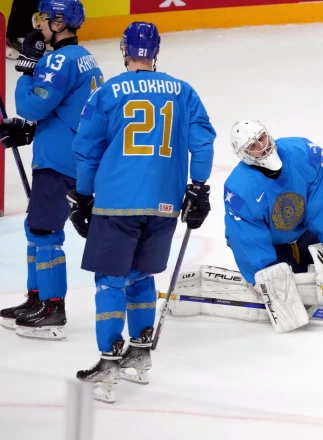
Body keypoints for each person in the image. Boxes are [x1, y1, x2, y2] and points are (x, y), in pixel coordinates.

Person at [67, 21, 215, 403]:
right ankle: (140, 357)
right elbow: (203, 142)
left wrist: (83, 195)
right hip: (165, 203)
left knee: (110, 282)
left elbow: (88, 149)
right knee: (140, 276)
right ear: (157, 51)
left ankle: (109, 364)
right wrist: (197, 188)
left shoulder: (109, 91)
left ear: (124, 49)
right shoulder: (183, 91)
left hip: (118, 200)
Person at [0, 0, 102, 340]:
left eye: (44, 18)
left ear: (60, 24)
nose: (38, 24)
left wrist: (27, 69)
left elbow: (31, 104)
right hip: (71, 155)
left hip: (58, 162)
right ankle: (37, 298)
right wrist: (31, 130)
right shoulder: (84, 56)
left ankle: (52, 307)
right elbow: (67, 109)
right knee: (36, 228)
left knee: (44, 234)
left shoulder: (58, 60)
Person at [224, 120, 323, 333]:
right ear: (244, 155)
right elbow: (246, 237)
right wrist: (264, 274)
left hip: (303, 233)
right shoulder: (239, 189)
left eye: (262, 137)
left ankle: (304, 258)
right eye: (253, 146)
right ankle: (273, 269)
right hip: (272, 244)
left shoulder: (306, 154)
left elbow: (321, 204)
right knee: (282, 290)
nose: (262, 146)